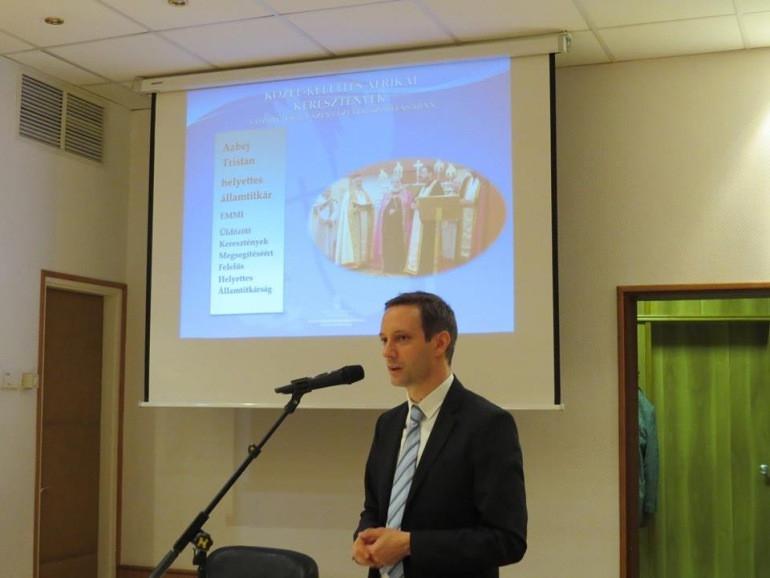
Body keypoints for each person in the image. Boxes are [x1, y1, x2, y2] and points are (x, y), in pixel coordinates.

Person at [352, 291, 527, 577]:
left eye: (401, 338)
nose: (388, 352)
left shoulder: (488, 425)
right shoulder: (388, 424)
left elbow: (507, 540)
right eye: (384, 340)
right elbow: (373, 508)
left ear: (440, 343)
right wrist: (363, 536)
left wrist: (410, 545)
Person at [372, 177, 414, 274]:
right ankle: (389, 268)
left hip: (401, 229)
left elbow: (409, 210)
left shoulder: (407, 195)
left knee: (399, 248)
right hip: (389, 229)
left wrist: (397, 212)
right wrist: (388, 211)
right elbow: (382, 211)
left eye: (397, 182)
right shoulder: (387, 196)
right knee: (389, 248)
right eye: (393, 182)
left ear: (401, 183)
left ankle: (400, 268)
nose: (395, 184)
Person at [335, 174, 375, 269]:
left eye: (360, 181)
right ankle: (354, 262)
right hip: (354, 221)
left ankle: (363, 261)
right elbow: (346, 209)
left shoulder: (365, 193)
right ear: (353, 182)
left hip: (364, 220)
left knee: (364, 240)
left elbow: (371, 206)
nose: (358, 183)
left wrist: (369, 208)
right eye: (356, 181)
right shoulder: (349, 194)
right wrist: (354, 210)